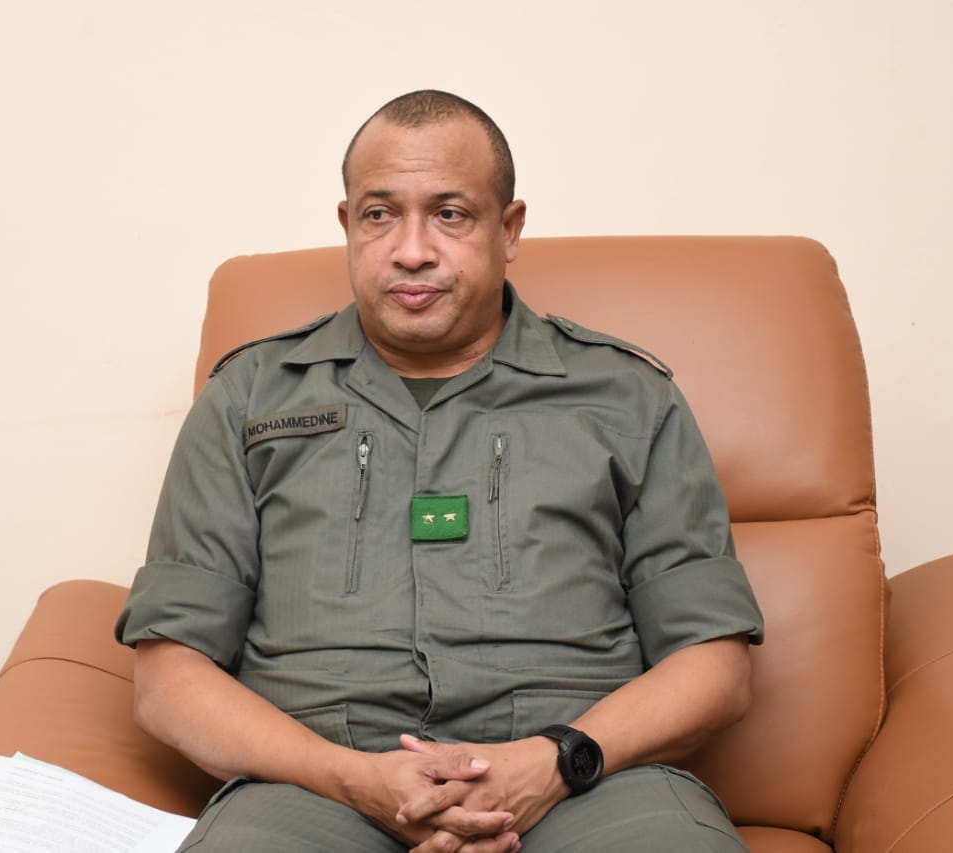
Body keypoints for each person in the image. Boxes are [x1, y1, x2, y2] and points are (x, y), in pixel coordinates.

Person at [115, 89, 764, 852]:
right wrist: (349, 776)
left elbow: (715, 663)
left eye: (450, 214)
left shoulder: (628, 398)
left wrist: (552, 762)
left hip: (588, 786)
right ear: (348, 224)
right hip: (313, 790)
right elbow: (169, 677)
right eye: (379, 214)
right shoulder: (248, 397)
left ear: (508, 228)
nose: (411, 249)